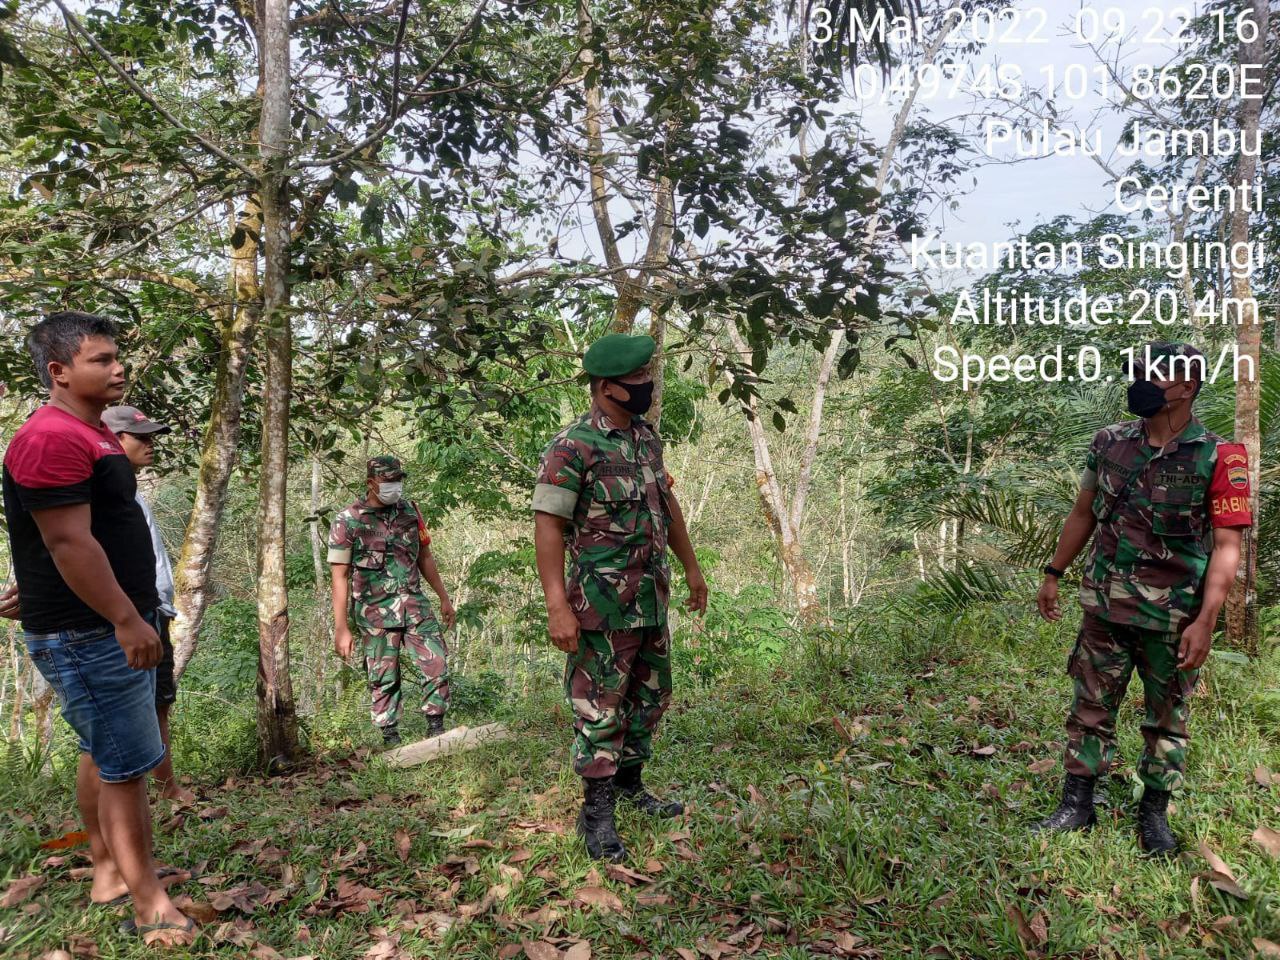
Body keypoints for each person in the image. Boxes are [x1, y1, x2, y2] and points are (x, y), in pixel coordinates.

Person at [1, 312, 193, 945]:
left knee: (106, 751)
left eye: (117, 358)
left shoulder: (89, 433)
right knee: (126, 767)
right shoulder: (51, 437)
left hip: (94, 623)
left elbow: (71, 532)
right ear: (58, 371)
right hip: (91, 633)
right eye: (102, 360)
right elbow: (67, 542)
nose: (118, 369)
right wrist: (125, 618)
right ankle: (149, 903)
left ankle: (111, 873)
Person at [1033, 341, 1252, 857]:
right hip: (1105, 606)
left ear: (1189, 386)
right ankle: (1077, 804)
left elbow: (1227, 546)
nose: (1142, 384)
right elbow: (1084, 511)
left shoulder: (1222, 456)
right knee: (1089, 706)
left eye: (1155, 377)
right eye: (1138, 373)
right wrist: (1053, 573)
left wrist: (1206, 620)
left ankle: (1153, 815)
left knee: (1167, 717)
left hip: (1175, 616)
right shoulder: (1109, 442)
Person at [533, 332, 708, 863]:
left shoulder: (646, 439)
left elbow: (667, 504)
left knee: (649, 699)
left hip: (651, 598)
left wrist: (692, 567)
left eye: (645, 378)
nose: (645, 387)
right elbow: (547, 525)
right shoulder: (574, 446)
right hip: (602, 606)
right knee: (601, 708)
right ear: (606, 387)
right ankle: (599, 815)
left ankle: (631, 785)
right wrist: (557, 605)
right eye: (635, 381)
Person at [102, 405, 197, 805]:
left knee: (158, 703)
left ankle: (166, 787)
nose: (150, 444)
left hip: (154, 612)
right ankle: (122, 814)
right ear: (112, 440)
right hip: (124, 619)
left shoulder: (132, 493)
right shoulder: (99, 494)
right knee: (115, 721)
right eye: (140, 437)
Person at [328, 455, 456, 746]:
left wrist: (444, 598)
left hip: (414, 605)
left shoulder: (411, 512)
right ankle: (390, 737)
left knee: (436, 662)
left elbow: (425, 556)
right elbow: (339, 575)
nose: (395, 486)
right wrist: (341, 628)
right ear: (371, 483)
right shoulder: (348, 520)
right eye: (388, 481)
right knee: (383, 674)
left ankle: (436, 727)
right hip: (374, 611)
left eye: (398, 480)